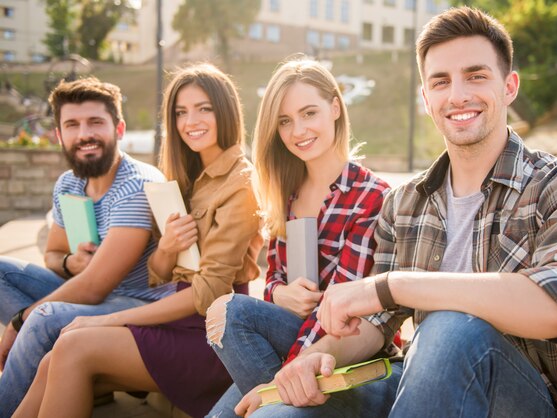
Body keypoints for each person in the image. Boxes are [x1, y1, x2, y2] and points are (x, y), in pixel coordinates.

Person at [233, 7, 557, 418]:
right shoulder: (405, 203)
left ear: (509, 86)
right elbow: (374, 324)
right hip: (418, 382)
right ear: (425, 98)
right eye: (440, 82)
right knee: (277, 413)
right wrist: (316, 354)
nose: (457, 95)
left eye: (476, 75)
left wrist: (396, 285)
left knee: (451, 326)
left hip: (524, 400)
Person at [13, 64, 264, 418]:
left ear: (224, 110)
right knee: (53, 360)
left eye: (203, 108)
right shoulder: (184, 176)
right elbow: (158, 275)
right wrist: (166, 249)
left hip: (210, 337)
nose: (191, 120)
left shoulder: (240, 183)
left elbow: (207, 295)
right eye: (181, 112)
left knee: (72, 346)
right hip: (173, 320)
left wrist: (105, 321)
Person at [204, 58, 390, 417]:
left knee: (230, 312)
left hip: (340, 349)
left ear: (335, 107)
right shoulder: (286, 194)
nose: (297, 130)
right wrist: (281, 293)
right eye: (285, 121)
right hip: (292, 335)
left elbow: (345, 315)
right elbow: (273, 278)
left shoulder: (370, 196)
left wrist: (277, 383)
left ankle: (281, 399)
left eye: (309, 113)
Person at [0, 77, 175, 417]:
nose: (84, 134)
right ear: (59, 134)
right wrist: (70, 263)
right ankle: (69, 383)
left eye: (96, 122)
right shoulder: (70, 183)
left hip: (139, 307)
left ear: (119, 128)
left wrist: (19, 321)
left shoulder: (137, 185)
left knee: (42, 317)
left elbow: (95, 288)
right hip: (93, 294)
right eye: (72, 124)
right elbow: (53, 255)